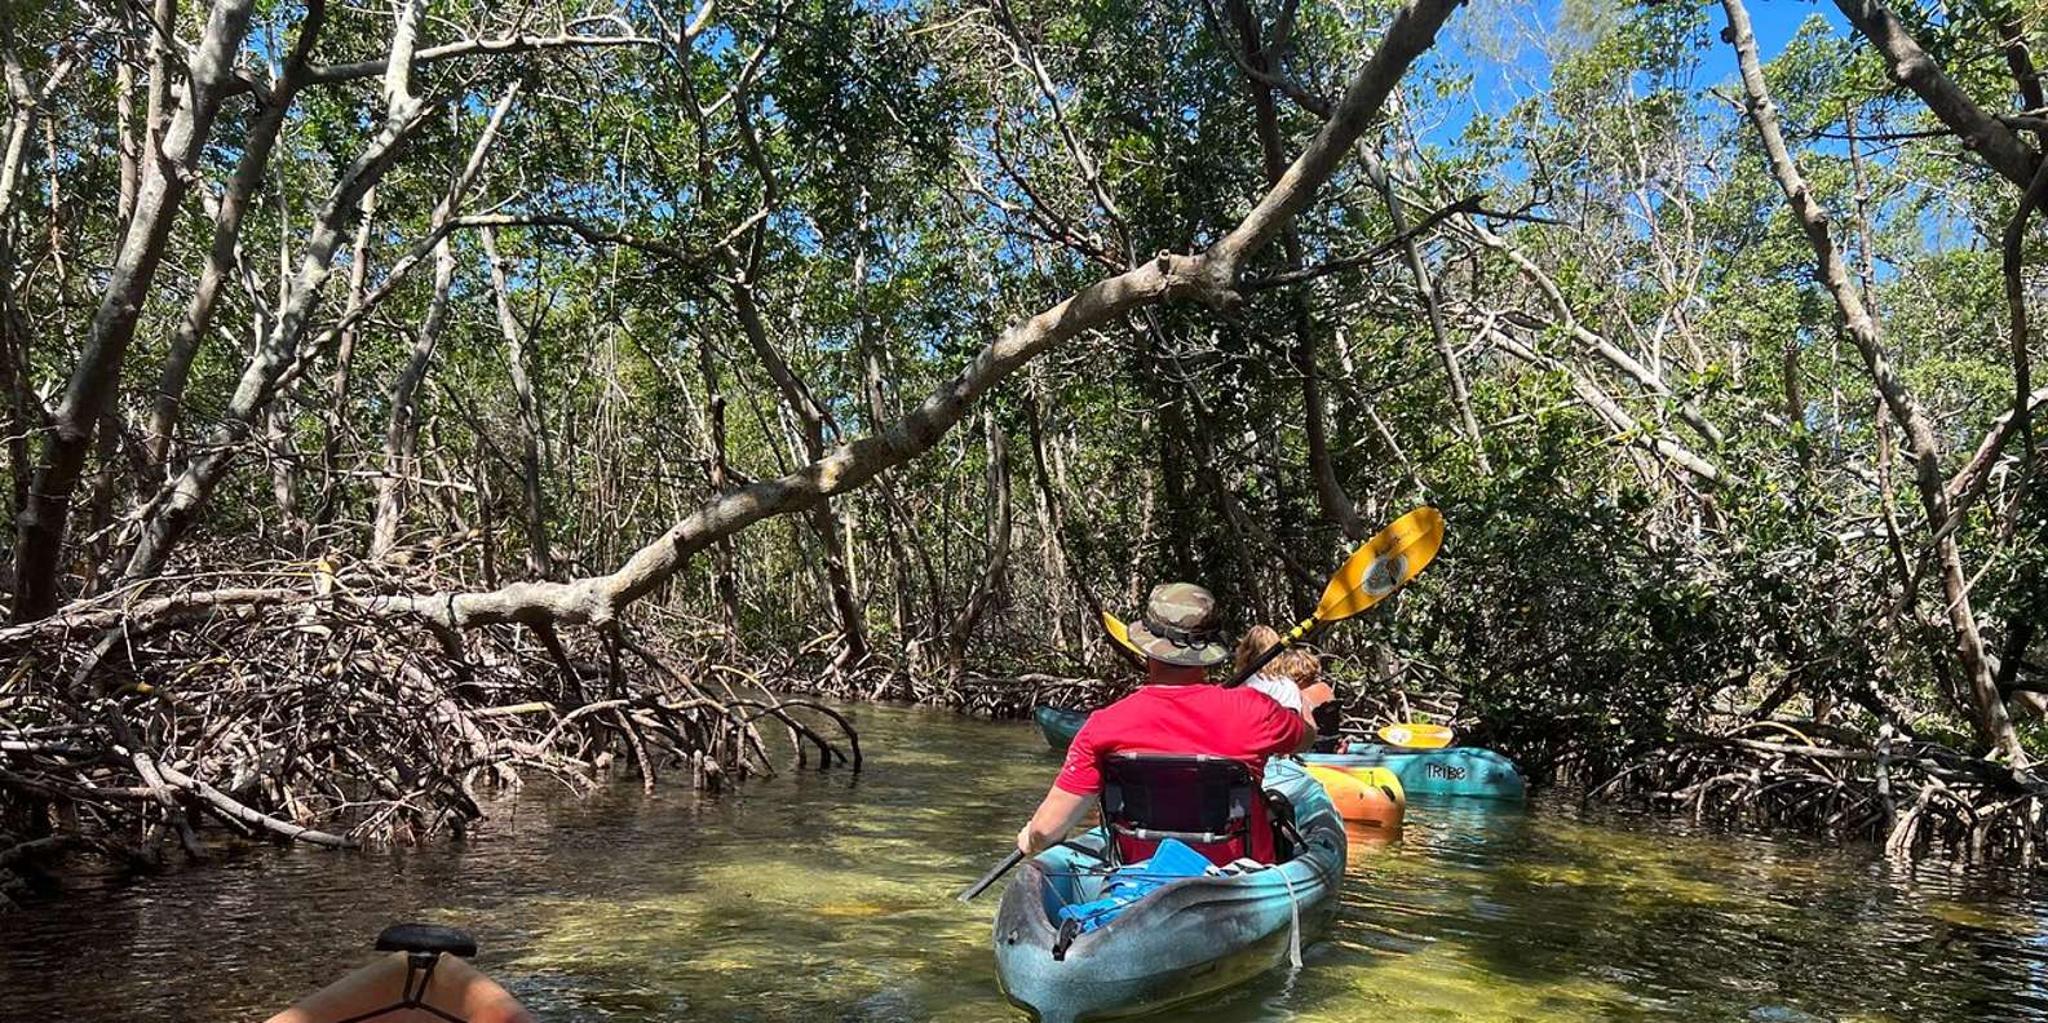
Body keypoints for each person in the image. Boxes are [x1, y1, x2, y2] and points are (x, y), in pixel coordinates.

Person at [1015, 583, 1323, 866]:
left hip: (1141, 875)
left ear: (1148, 648)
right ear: (1210, 648)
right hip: (1238, 877)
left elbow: (1047, 829)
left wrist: (1031, 837)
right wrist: (1304, 707)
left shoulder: (1103, 725)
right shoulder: (1258, 711)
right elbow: (1306, 739)